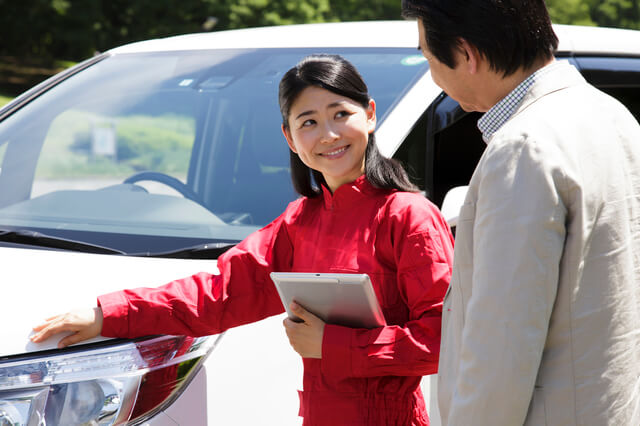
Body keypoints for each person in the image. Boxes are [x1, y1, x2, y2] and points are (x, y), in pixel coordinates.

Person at [31, 54, 454, 426]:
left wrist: (333, 344)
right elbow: (220, 293)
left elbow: (443, 339)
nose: (328, 134)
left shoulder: (408, 217)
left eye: (340, 113)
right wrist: (108, 314)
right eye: (308, 121)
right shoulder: (300, 222)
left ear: (370, 114)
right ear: (289, 137)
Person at [401, 1, 640, 425]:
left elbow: (501, 348)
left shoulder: (524, 146)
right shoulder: (613, 115)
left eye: (428, 56)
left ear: (466, 54)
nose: (433, 75)